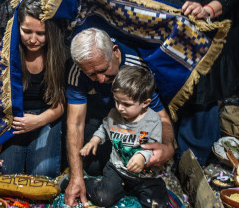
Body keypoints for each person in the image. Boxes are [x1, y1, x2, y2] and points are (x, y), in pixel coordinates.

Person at [75, 0, 239, 165]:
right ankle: (170, 158)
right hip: (169, 25)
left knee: (199, 97)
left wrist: (208, 9)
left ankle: (194, 166)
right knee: (167, 88)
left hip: (202, 28)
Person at [65, 28, 174, 206]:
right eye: (91, 74)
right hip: (103, 122)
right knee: (91, 167)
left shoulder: (136, 67)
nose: (100, 80)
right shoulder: (77, 70)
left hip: (136, 128)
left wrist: (168, 148)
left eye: (104, 70)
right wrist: (76, 177)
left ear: (115, 52)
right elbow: (75, 123)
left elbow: (162, 118)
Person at [0, 0, 66, 178]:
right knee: (6, 172)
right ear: (17, 27)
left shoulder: (60, 56)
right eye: (27, 31)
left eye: (41, 33)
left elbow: (62, 103)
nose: (33, 39)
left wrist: (38, 121)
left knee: (43, 174)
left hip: (47, 117)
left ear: (50, 31)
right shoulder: (5, 55)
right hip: (14, 120)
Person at [77, 65, 169, 208]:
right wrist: (95, 140)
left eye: (126, 104)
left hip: (145, 176)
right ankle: (86, 182)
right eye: (117, 101)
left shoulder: (153, 120)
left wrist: (142, 156)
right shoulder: (114, 114)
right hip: (117, 170)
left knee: (157, 204)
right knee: (104, 198)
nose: (120, 108)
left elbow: (154, 146)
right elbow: (105, 128)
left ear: (145, 103)